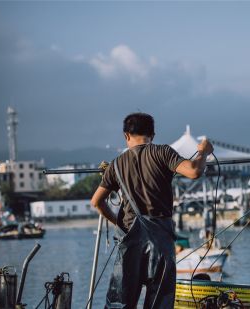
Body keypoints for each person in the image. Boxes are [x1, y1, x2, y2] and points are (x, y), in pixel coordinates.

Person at [91, 112, 213, 309]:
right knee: (160, 300)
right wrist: (204, 152)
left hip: (129, 239)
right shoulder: (162, 152)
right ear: (152, 135)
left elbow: (97, 202)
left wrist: (119, 223)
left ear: (126, 135)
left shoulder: (116, 164)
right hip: (161, 239)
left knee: (120, 302)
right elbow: (194, 171)